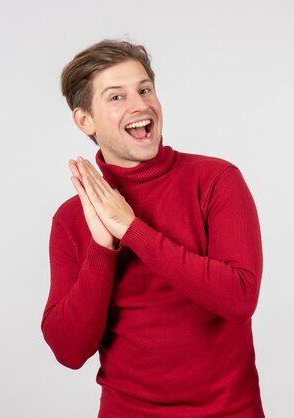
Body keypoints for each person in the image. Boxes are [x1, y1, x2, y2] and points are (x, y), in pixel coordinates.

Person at [41, 39, 265, 418]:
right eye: (116, 97)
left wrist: (132, 229)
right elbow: (69, 350)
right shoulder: (72, 218)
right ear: (85, 120)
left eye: (145, 90)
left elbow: (239, 298)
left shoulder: (216, 180)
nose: (140, 105)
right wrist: (102, 247)